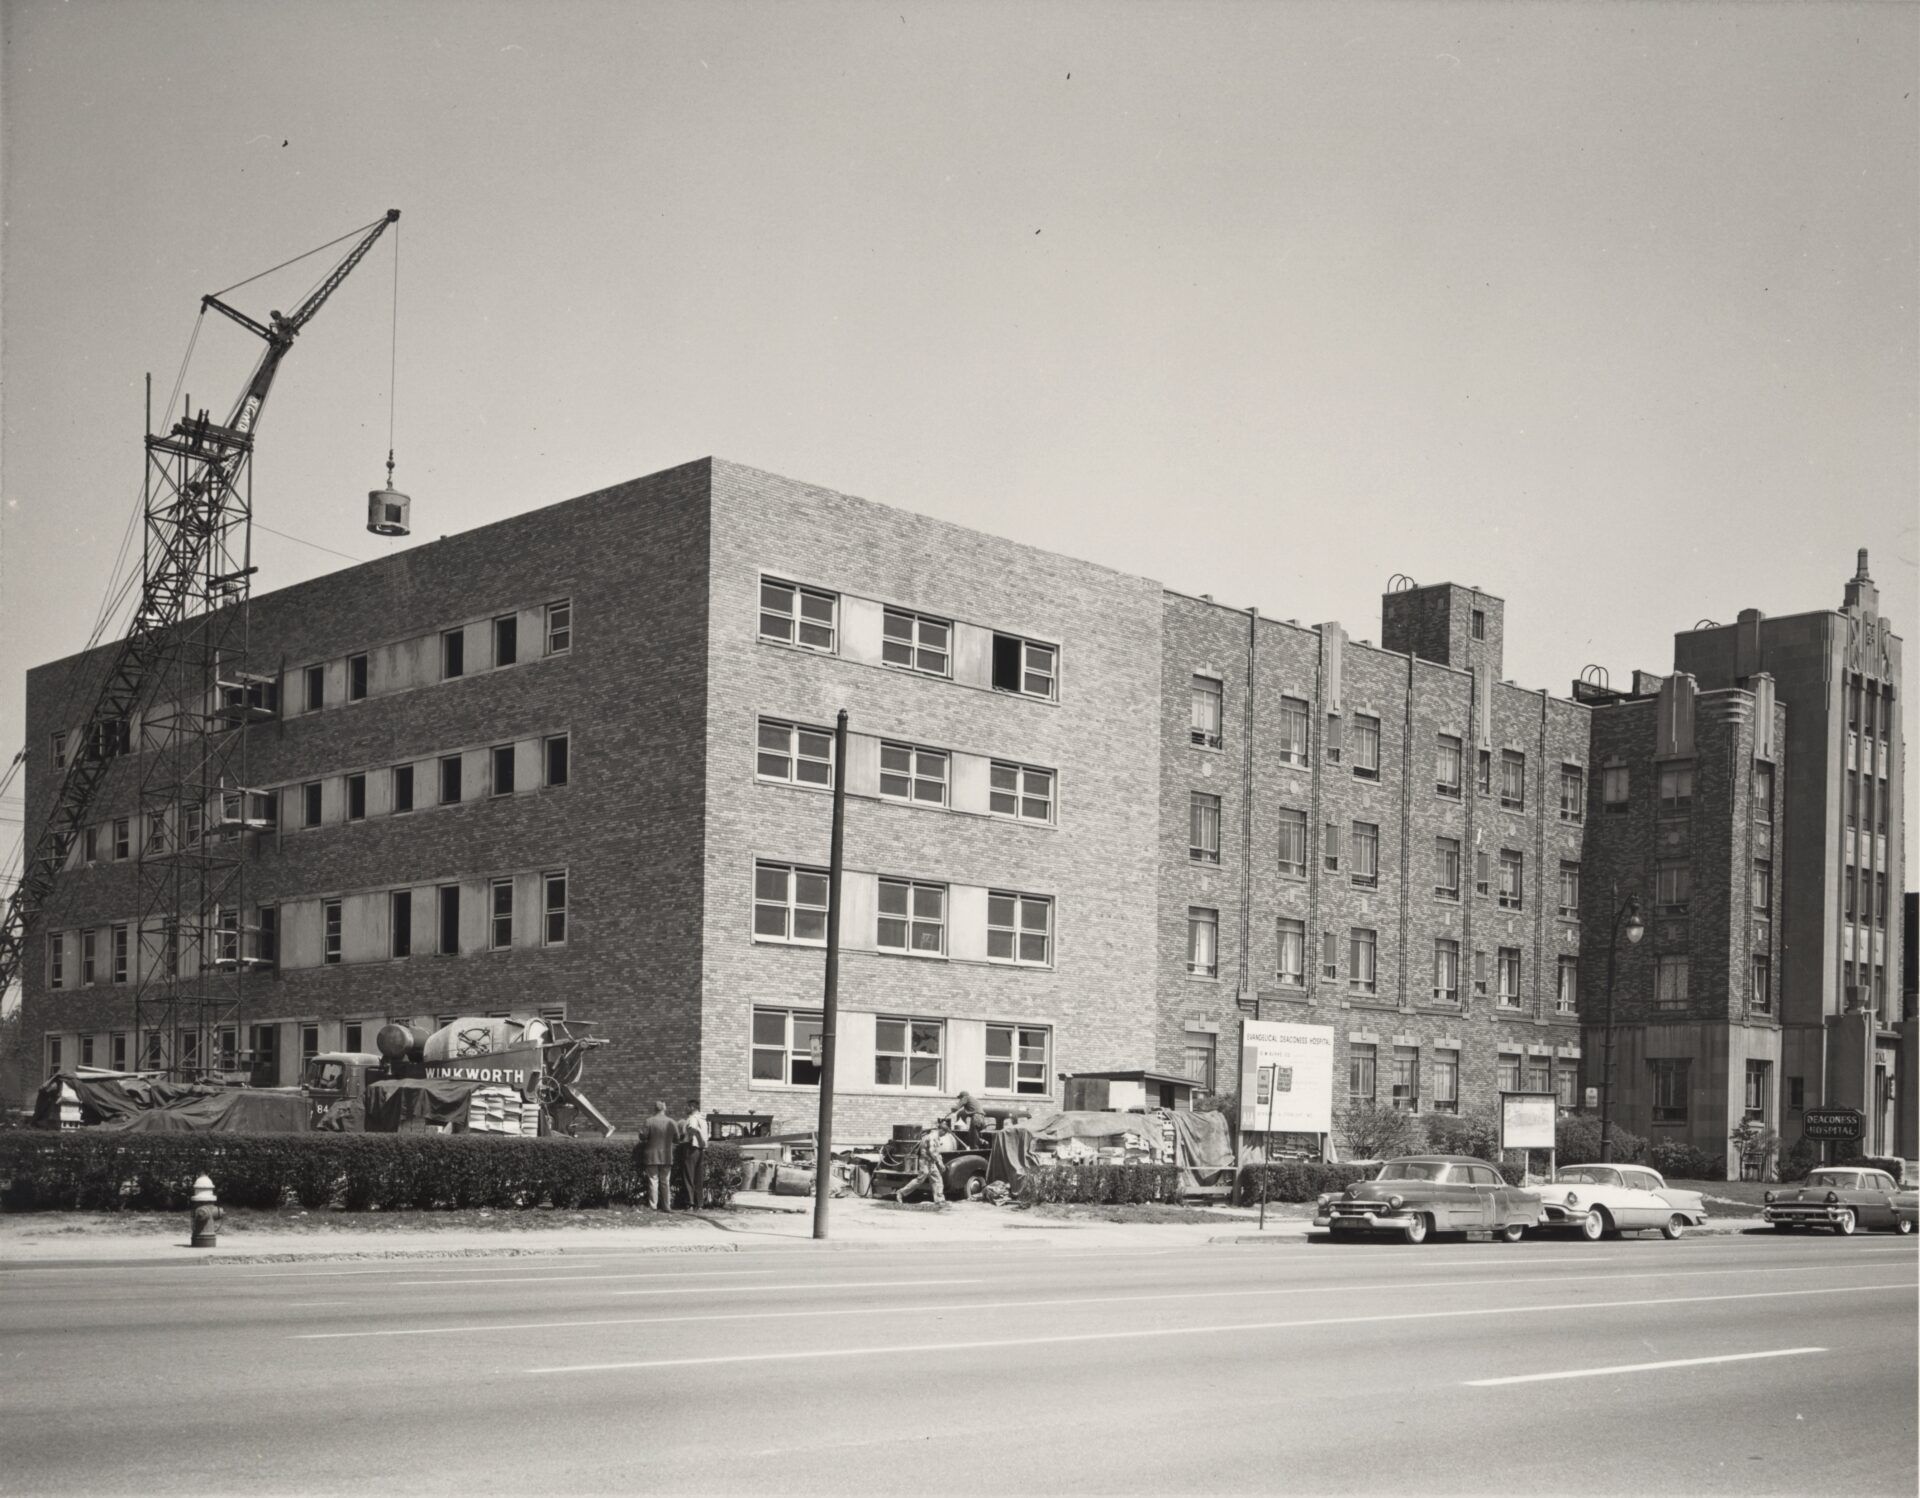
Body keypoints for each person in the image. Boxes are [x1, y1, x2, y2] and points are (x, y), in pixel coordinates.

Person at [635, 1100, 680, 1212]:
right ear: (664, 1109)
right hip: (666, 1156)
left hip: (652, 1156)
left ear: (654, 1109)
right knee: (665, 1181)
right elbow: (677, 1139)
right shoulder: (672, 1122)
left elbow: (643, 1137)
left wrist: (640, 1133)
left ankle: (653, 1206)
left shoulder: (649, 1121)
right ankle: (666, 1206)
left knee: (653, 1181)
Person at [893, 1127, 947, 1208]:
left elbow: (937, 1152)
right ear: (942, 1130)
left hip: (931, 1162)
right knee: (920, 1180)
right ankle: (900, 1193)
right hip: (925, 1162)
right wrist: (939, 1162)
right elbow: (932, 1151)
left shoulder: (935, 1137)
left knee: (937, 1179)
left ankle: (939, 1200)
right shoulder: (932, 1137)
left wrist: (940, 1162)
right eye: (945, 1133)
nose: (944, 1135)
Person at [678, 1098, 708, 1209]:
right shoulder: (703, 1119)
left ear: (692, 1107)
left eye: (687, 1107)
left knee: (688, 1177)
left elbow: (693, 1129)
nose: (685, 1109)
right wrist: (703, 1143)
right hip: (700, 1150)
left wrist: (697, 1140)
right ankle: (699, 1204)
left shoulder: (692, 1118)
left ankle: (690, 1203)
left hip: (691, 1148)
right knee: (698, 1178)